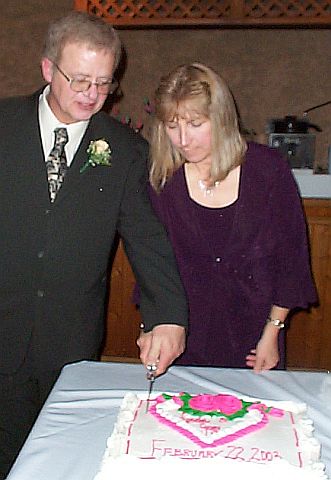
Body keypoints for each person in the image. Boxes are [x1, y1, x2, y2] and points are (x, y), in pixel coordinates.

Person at [0, 12, 188, 478]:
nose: (91, 95)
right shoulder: (2, 124)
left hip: (69, 341)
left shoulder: (124, 149)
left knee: (61, 460)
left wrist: (167, 314)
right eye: (79, 79)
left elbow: (147, 238)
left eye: (103, 84)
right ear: (48, 69)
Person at [146, 62, 317, 372]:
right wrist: (153, 327)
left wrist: (273, 332)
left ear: (221, 118)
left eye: (195, 123)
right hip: (184, 339)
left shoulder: (267, 170)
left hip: (257, 339)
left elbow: (291, 260)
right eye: (173, 125)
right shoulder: (163, 181)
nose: (183, 139)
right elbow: (155, 267)